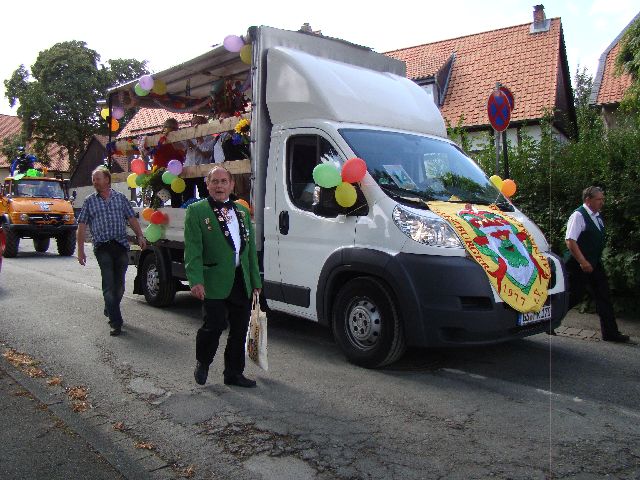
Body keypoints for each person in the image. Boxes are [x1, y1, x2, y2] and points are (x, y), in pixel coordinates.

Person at [184, 165, 262, 387]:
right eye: (215, 181)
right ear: (207, 185)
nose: (219, 186)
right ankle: (203, 361)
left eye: (223, 181)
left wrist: (255, 281)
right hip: (213, 279)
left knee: (240, 329)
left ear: (231, 185)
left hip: (240, 279)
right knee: (214, 325)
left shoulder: (242, 212)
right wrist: (195, 280)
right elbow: (193, 249)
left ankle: (233, 373)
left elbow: (249, 251)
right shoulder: (197, 211)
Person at [77, 166, 147, 336]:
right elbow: (82, 226)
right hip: (102, 247)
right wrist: (80, 250)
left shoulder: (120, 198)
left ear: (107, 180)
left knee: (120, 286)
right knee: (109, 284)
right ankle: (116, 322)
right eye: (94, 179)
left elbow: (131, 218)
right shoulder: (89, 201)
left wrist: (140, 236)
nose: (95, 182)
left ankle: (110, 307)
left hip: (120, 245)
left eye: (98, 179)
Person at [565, 186, 630, 343]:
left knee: (603, 295)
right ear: (588, 200)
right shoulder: (578, 215)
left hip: (594, 262)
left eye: (602, 199)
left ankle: (610, 333)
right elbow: (570, 241)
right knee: (574, 296)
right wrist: (583, 262)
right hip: (578, 264)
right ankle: (550, 321)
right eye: (599, 199)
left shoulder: (597, 216)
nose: (602, 202)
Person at [153, 118, 186, 207]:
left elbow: (183, 152)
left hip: (175, 174)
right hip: (160, 173)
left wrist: (173, 140)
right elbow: (150, 152)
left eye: (175, 128)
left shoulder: (179, 139)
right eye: (171, 127)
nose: (173, 130)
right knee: (157, 200)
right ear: (165, 128)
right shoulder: (158, 139)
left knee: (176, 199)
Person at [183, 115, 214, 202]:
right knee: (187, 196)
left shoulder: (210, 138)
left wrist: (199, 141)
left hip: (203, 170)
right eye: (193, 124)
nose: (196, 126)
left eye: (199, 123)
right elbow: (178, 147)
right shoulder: (190, 137)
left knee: (204, 194)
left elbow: (207, 155)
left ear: (205, 125)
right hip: (188, 169)